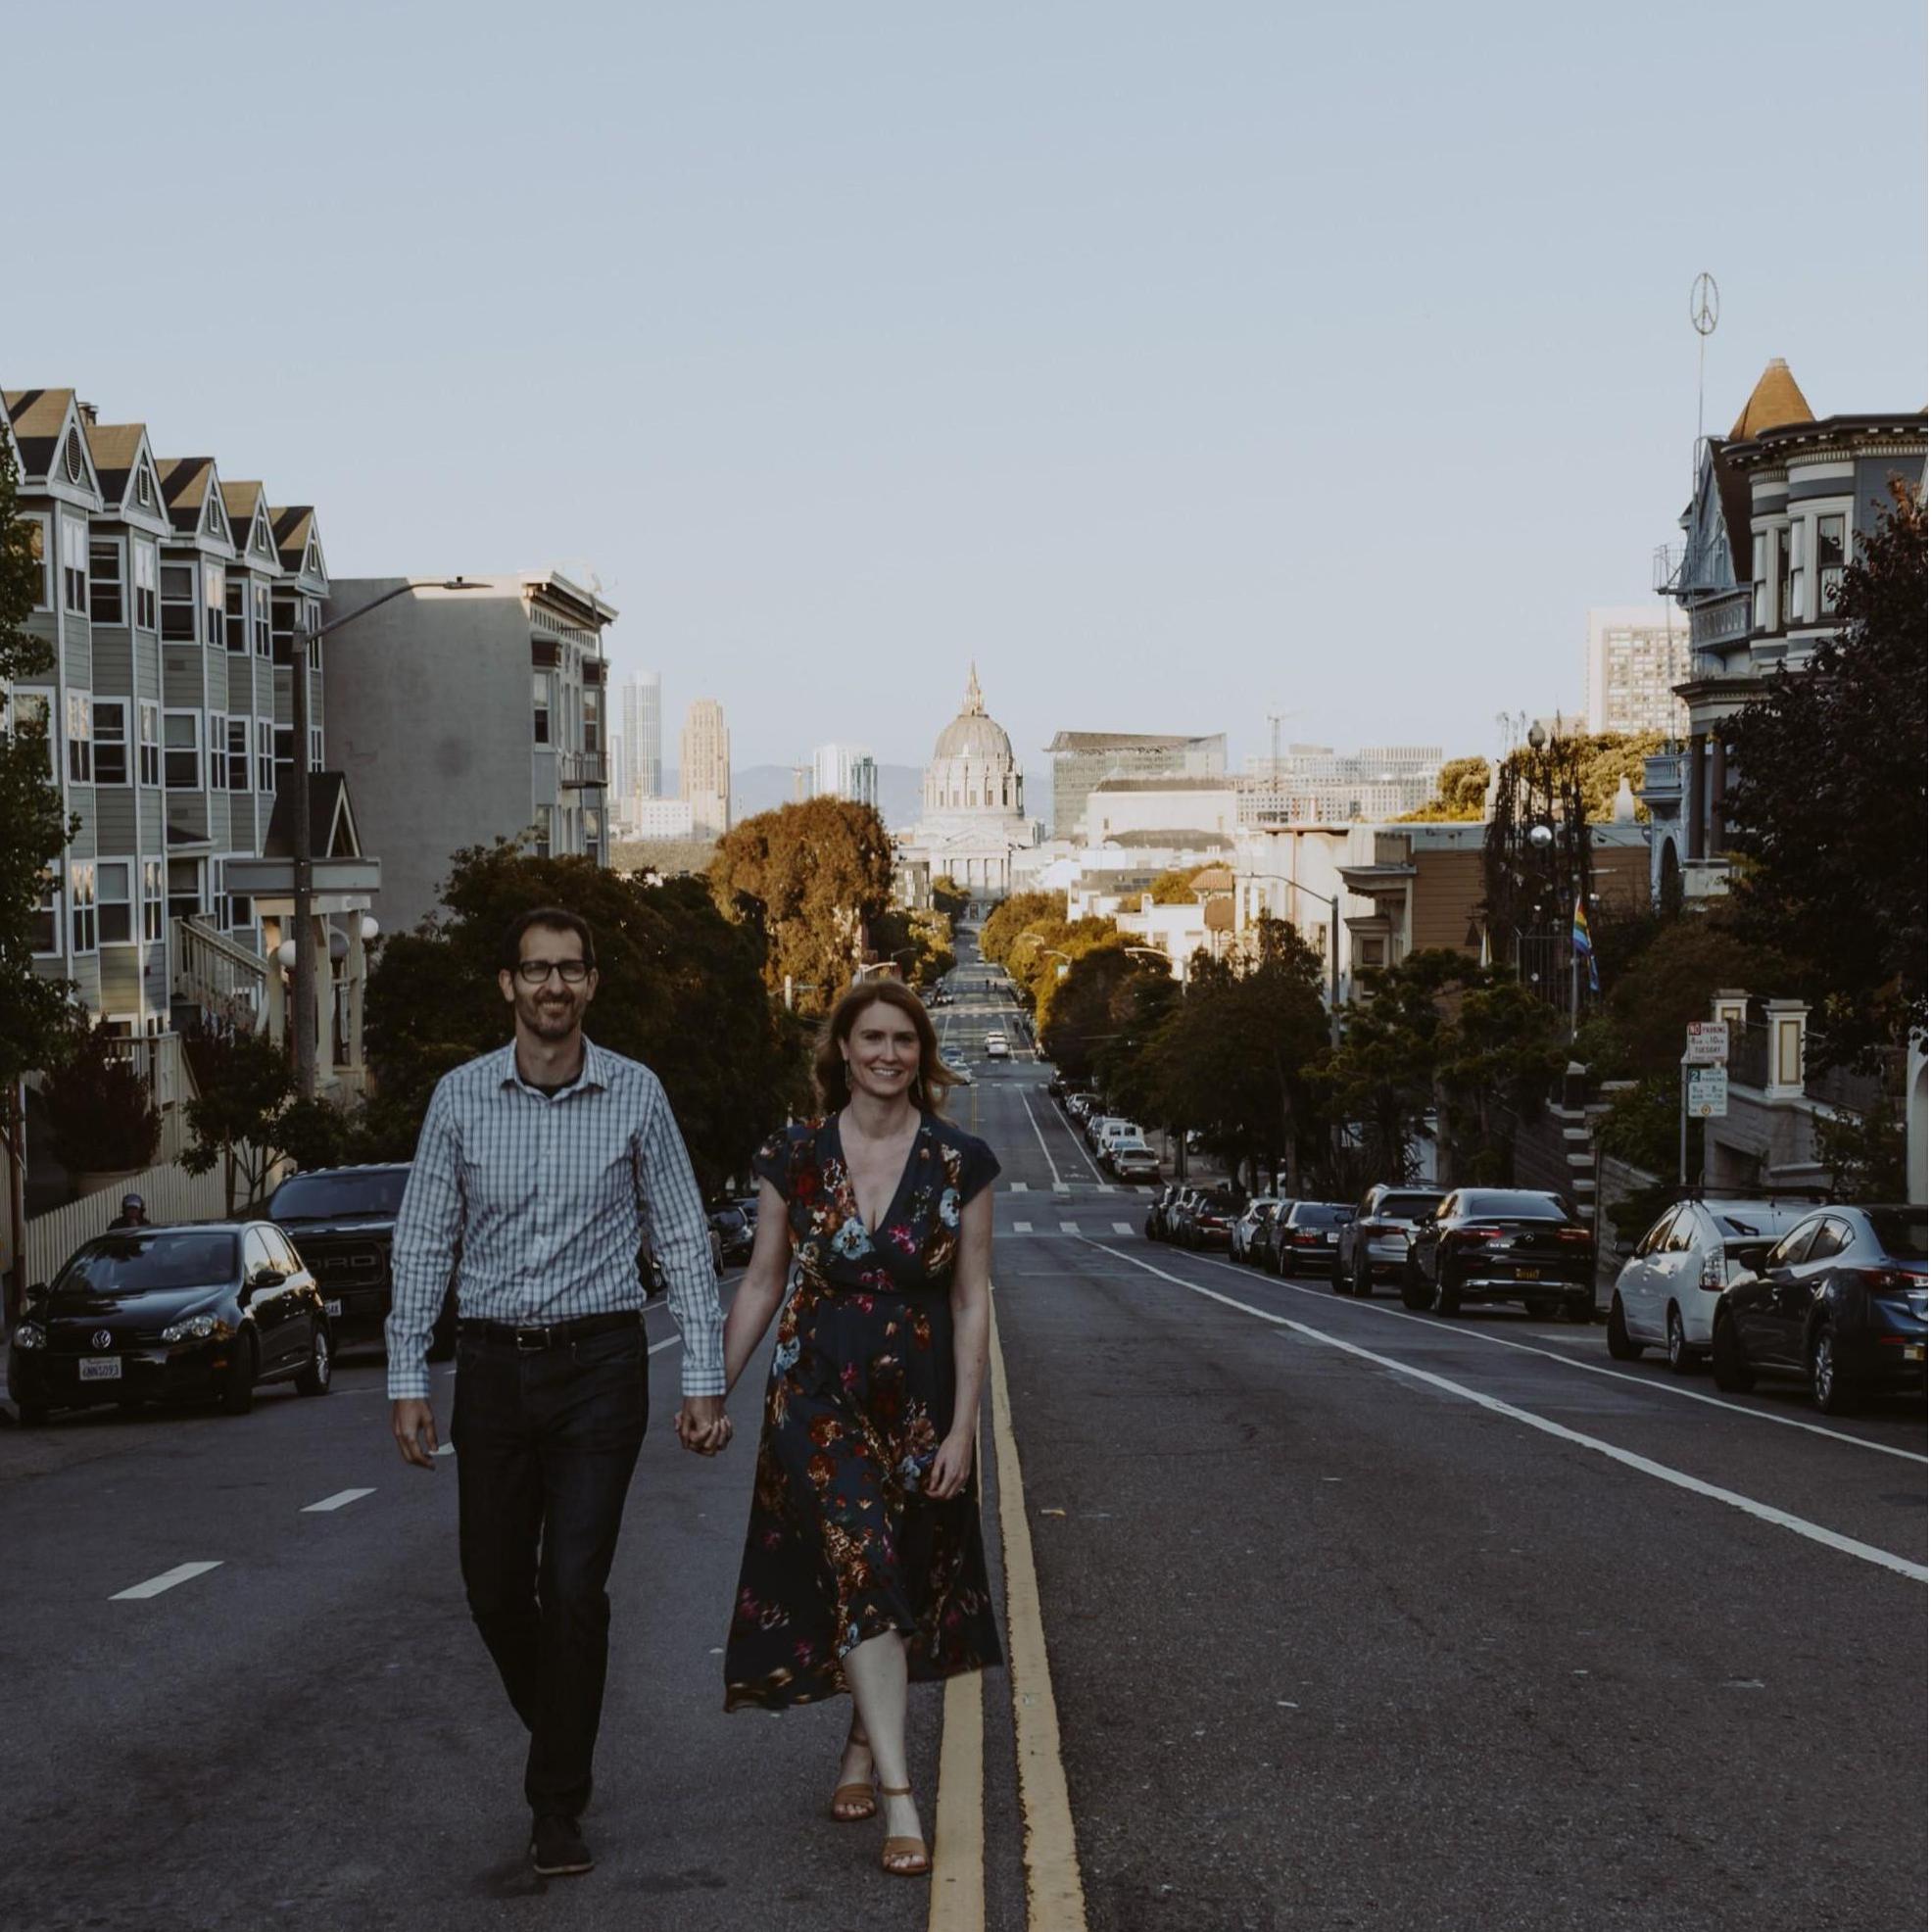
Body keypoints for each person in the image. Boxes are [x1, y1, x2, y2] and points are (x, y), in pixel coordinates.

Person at [385, 905, 728, 1880]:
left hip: (599, 1367)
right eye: (534, 970)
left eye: (569, 970)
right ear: (508, 984)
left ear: (591, 984)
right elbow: (421, 1242)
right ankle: (565, 1727)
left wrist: (701, 1376)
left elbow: (681, 1236)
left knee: (572, 1587)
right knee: (494, 1588)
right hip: (492, 1368)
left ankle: (555, 1805)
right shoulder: (458, 1099)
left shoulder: (635, 1094)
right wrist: (407, 1373)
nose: (552, 987)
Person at [714, 978, 1003, 1878]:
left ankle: (855, 1742)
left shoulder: (963, 1162)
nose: (888, 1054)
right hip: (816, 1390)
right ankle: (901, 1798)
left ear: (922, 1053)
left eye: (904, 1040)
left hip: (918, 1398)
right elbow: (762, 1279)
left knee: (899, 1569)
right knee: (860, 1559)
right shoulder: (793, 1155)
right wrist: (710, 1389)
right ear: (842, 1049)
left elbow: (971, 1302)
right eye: (871, 1038)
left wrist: (964, 1432)